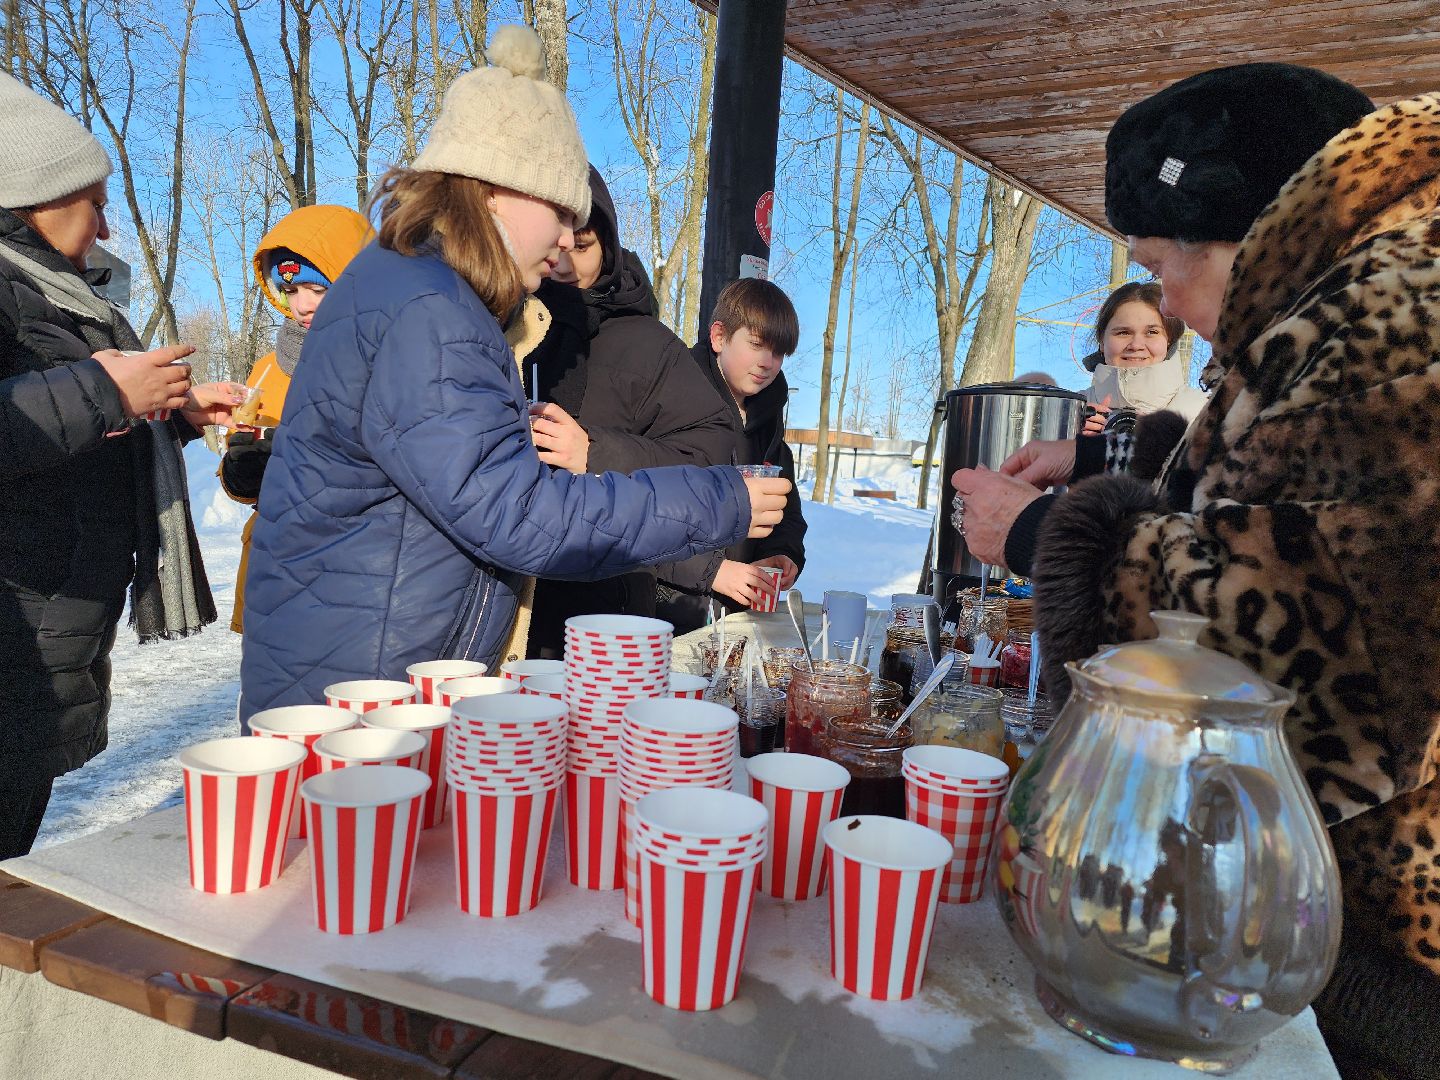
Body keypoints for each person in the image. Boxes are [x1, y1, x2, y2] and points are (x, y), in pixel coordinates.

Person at [951, 64, 1440, 1076]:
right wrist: (1104, 461)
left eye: (1159, 261)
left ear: (1244, 233)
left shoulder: (1391, 314)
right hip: (1318, 902)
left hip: (1375, 947)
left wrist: (1048, 537)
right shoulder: (1345, 306)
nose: (1160, 296)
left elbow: (1312, 636)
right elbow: (1278, 482)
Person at [238, 26, 788, 721]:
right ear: (497, 191)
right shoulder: (429, 308)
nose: (566, 240)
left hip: (371, 680)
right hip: (360, 707)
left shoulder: (428, 291)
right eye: (560, 212)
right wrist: (716, 501)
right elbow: (518, 513)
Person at [0, 74, 244, 857]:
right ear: (39, 193)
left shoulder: (61, 295)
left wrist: (169, 418)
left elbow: (65, 449)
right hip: (18, 634)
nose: (106, 223)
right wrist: (106, 389)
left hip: (51, 634)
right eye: (95, 199)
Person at [522, 166, 737, 659]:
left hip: (606, 608)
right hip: (509, 600)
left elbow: (710, 455)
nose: (565, 261)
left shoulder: (647, 344)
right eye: (556, 242)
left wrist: (595, 452)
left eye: (584, 245)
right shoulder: (505, 322)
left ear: (609, 245)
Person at [219, 204, 373, 633]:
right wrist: (242, 471)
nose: (300, 305)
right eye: (289, 289)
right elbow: (243, 473)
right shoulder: (269, 367)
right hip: (275, 576)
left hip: (353, 578)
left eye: (317, 289)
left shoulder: (386, 361)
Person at [656, 278, 806, 632]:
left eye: (779, 353)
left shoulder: (770, 426)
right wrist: (714, 571)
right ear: (719, 336)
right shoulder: (672, 405)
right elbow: (638, 516)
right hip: (663, 614)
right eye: (756, 345)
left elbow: (787, 514)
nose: (768, 362)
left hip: (736, 621)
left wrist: (782, 553)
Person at [1079, 280, 1206, 435]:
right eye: (1123, 332)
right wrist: (1073, 446)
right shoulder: (1068, 412)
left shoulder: (1205, 411)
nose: (1136, 345)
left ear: (1168, 341)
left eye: (1152, 332)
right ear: (1102, 342)